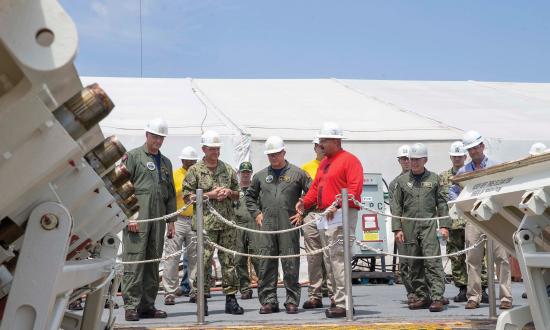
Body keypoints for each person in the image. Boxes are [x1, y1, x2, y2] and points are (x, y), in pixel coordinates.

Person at [296, 122, 364, 318]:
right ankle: (337, 299)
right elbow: (316, 187)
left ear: (336, 141)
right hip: (328, 215)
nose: (321, 144)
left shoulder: (350, 161)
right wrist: (304, 202)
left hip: (341, 214)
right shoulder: (325, 162)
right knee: (330, 259)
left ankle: (344, 303)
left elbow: (354, 189)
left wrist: (337, 205)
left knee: (339, 259)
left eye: (324, 140)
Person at [246, 136, 311, 314]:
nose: (273, 157)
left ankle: (291, 300)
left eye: (276, 154)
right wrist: (257, 213)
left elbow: (312, 193)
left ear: (283, 152)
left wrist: (302, 211)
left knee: (291, 263)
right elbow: (249, 197)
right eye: (270, 155)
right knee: (266, 263)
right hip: (267, 226)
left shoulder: (298, 174)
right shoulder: (260, 176)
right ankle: (269, 300)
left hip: (288, 224)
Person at [449, 130, 513, 310]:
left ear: (482, 146)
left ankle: (506, 297)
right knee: (473, 258)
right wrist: (460, 206)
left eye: (476, 148)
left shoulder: (496, 166)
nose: (473, 152)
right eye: (470, 150)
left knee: (501, 257)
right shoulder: (463, 171)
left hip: (496, 217)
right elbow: (453, 191)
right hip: (474, 218)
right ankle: (474, 296)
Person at [183, 130, 244, 315]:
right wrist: (208, 195)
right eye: (212, 149)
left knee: (229, 262)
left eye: (217, 149)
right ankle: (202, 299)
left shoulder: (227, 169)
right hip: (205, 224)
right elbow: (187, 197)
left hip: (225, 223)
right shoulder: (195, 170)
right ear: (204, 149)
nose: (216, 152)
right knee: (203, 262)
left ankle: (231, 299)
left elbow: (237, 193)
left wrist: (228, 193)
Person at [121, 118, 176, 321]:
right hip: (139, 217)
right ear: (147, 135)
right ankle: (131, 305)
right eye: (155, 137)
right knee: (135, 260)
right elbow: (122, 186)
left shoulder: (166, 162)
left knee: (153, 261)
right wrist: (131, 215)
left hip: (159, 218)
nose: (158, 141)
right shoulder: (133, 156)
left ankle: (147, 305)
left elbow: (169, 193)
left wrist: (171, 221)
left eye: (161, 138)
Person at [391, 143, 450, 312]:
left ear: (425, 160)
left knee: (433, 261)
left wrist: (444, 226)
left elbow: (442, 203)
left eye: (418, 160)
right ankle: (422, 296)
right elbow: (396, 207)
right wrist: (397, 229)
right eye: (412, 159)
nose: (414, 163)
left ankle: (437, 297)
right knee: (413, 263)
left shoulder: (434, 179)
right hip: (409, 226)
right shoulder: (402, 181)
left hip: (429, 225)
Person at [162, 146, 199, 305]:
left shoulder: (199, 174)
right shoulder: (175, 175)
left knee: (195, 257)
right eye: (188, 161)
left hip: (195, 219)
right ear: (182, 160)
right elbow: (169, 196)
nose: (190, 164)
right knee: (172, 256)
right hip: (177, 219)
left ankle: (195, 290)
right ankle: (170, 291)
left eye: (192, 161)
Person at [301, 138, 332, 309]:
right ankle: (315, 295)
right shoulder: (306, 168)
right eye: (318, 146)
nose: (321, 148)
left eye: (323, 145)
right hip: (312, 213)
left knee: (332, 256)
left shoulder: (335, 163)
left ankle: (335, 295)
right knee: (313, 257)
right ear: (314, 147)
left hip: (330, 213)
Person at [388, 144, 418, 305]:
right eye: (403, 159)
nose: (406, 162)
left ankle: (428, 291)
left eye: (409, 158)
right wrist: (397, 228)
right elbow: (395, 209)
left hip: (422, 226)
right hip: (404, 226)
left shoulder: (424, 178)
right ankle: (412, 292)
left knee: (426, 260)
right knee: (406, 262)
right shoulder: (395, 184)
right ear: (399, 161)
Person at [233, 161, 256, 300]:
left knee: (258, 258)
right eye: (243, 173)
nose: (245, 175)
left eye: (248, 172)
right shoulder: (234, 190)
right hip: (238, 225)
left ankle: (264, 286)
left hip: (254, 225)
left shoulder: (256, 188)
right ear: (239, 173)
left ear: (251, 173)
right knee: (239, 259)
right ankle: (245, 288)